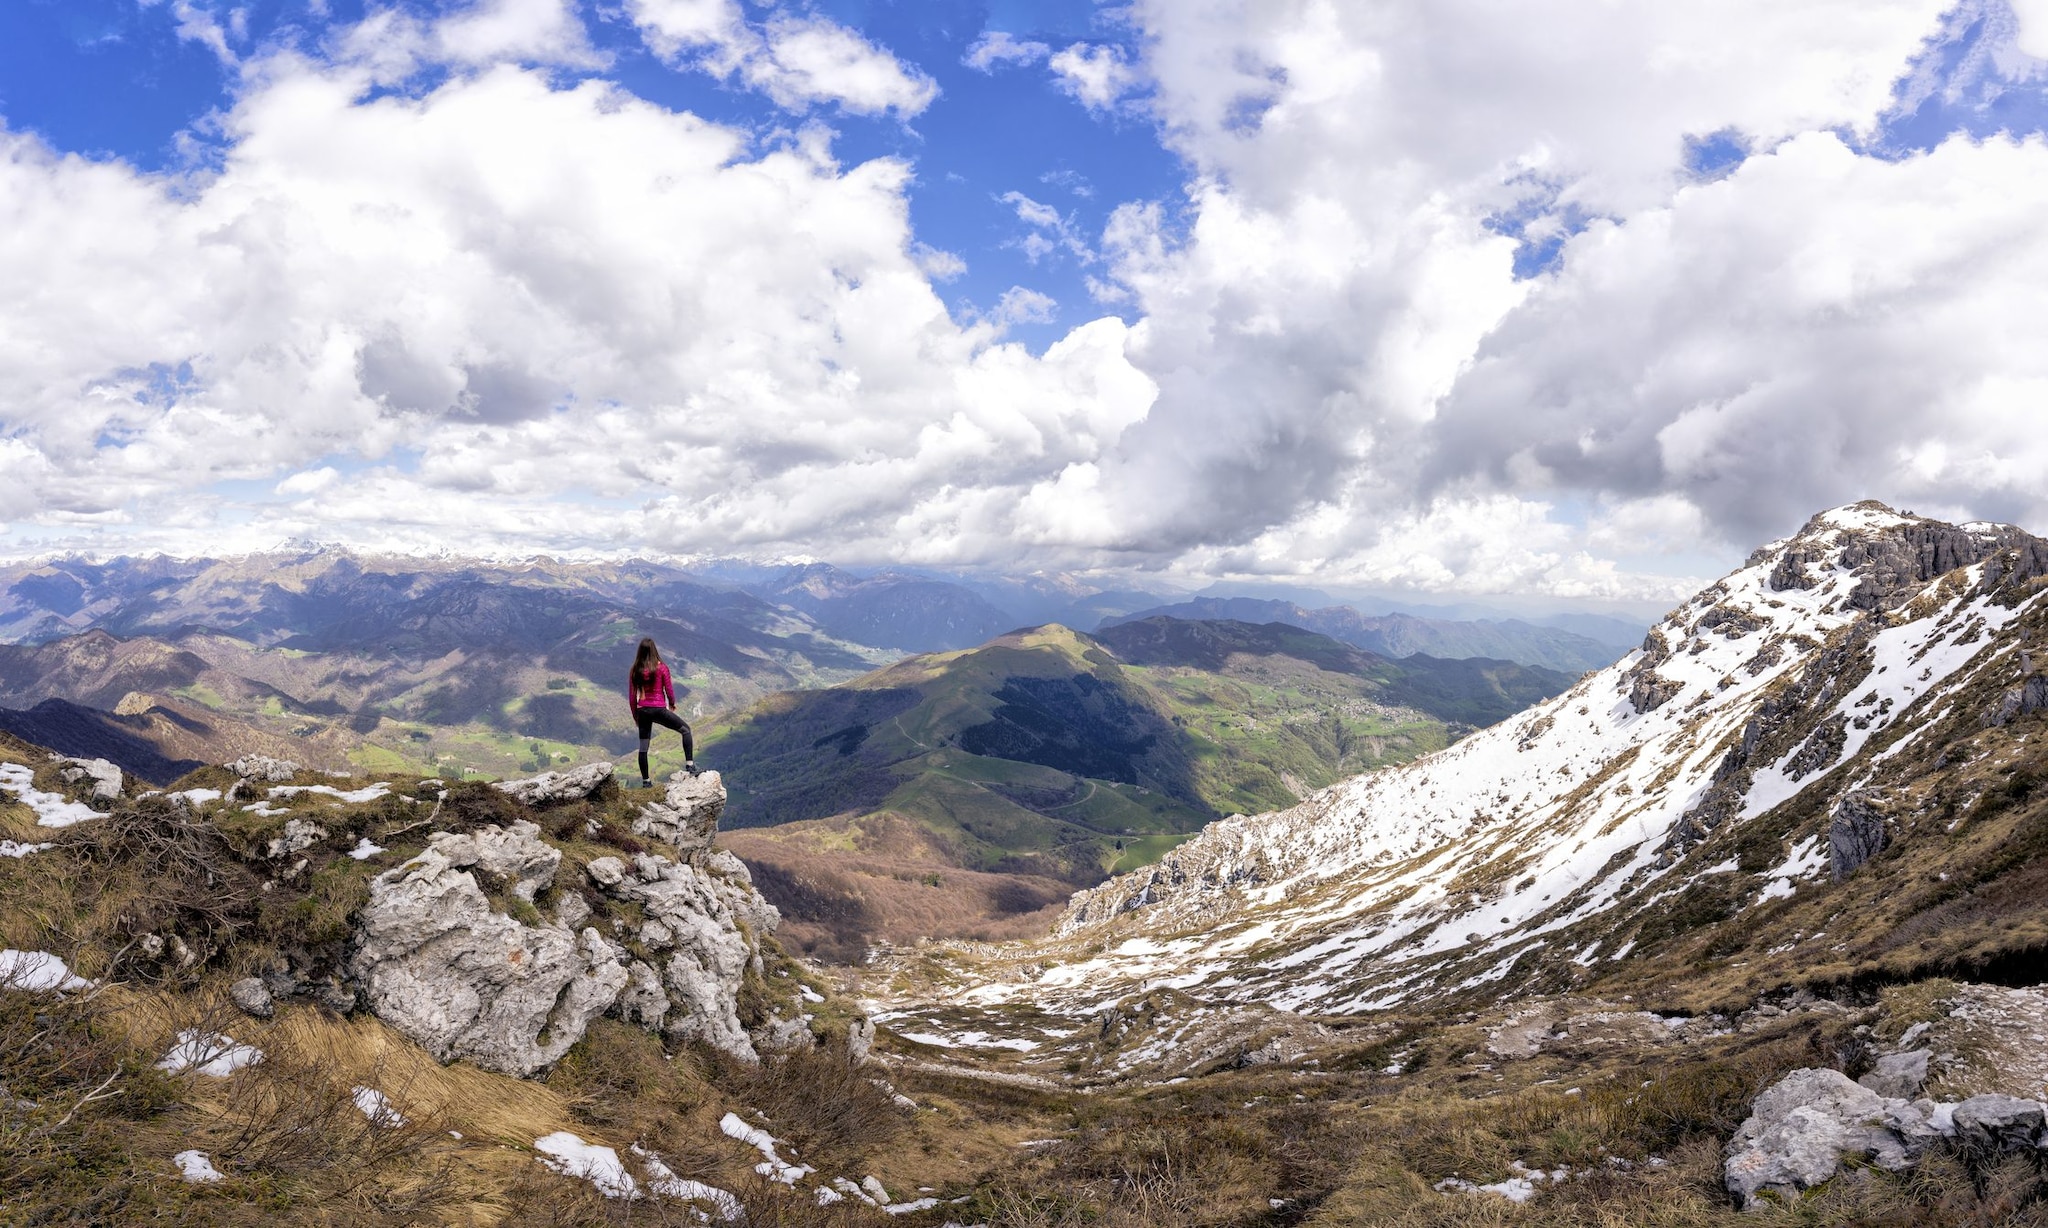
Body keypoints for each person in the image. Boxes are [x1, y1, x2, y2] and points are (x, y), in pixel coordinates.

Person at [627, 637, 695, 787]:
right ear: (654, 650)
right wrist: (672, 703)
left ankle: (646, 782)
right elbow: (668, 689)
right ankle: (690, 765)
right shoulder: (662, 667)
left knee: (643, 747)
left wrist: (635, 715)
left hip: (643, 710)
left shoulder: (635, 670)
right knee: (685, 730)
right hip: (658, 708)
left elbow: (632, 697)